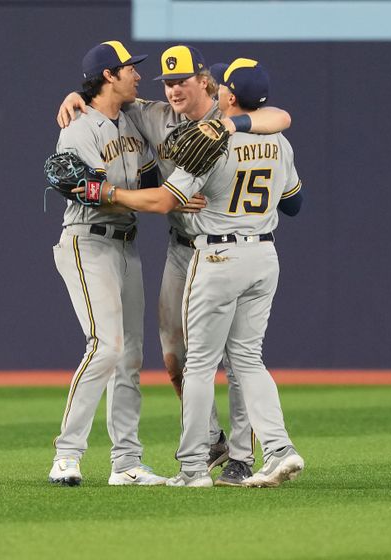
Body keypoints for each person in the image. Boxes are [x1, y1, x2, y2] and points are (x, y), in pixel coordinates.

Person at [57, 45, 293, 486]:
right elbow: (106, 95)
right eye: (167, 81)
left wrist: (231, 122)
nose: (172, 88)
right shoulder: (153, 114)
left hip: (216, 251)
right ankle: (211, 438)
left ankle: (240, 455)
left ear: (207, 82)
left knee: (232, 356)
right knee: (175, 356)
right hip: (182, 247)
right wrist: (77, 94)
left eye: (182, 79)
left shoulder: (224, 119)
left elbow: (278, 117)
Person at [47, 40, 167, 487]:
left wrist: (166, 195)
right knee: (107, 346)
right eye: (128, 69)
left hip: (126, 246)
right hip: (87, 241)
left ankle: (126, 464)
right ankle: (67, 455)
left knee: (130, 357)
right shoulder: (79, 126)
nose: (137, 74)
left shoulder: (131, 118)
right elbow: (92, 193)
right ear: (108, 77)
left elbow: (151, 179)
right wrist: (160, 201)